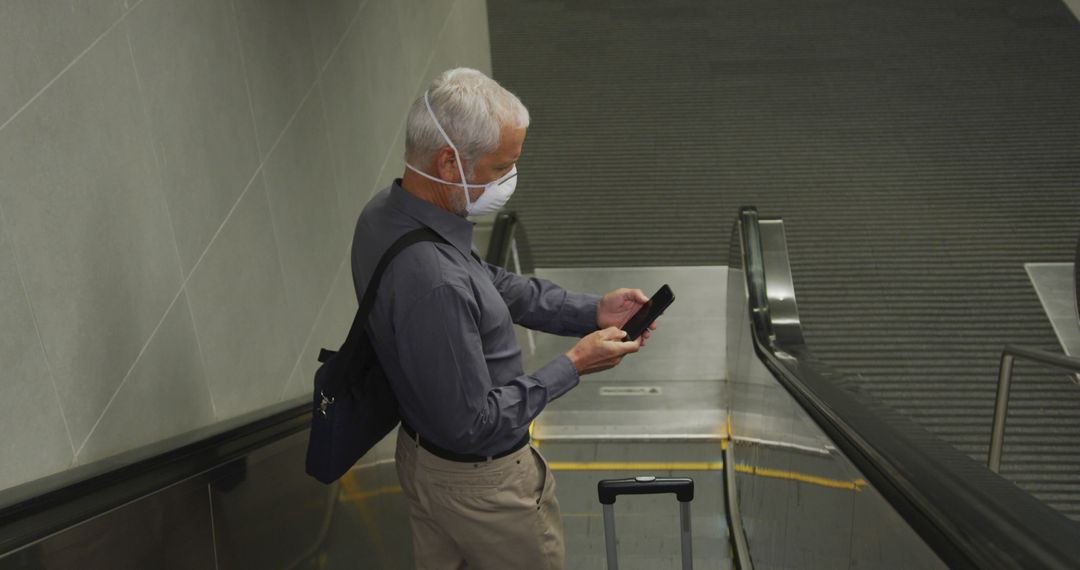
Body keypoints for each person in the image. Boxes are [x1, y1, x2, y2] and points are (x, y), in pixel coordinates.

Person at [351, 68, 655, 570]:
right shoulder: (435, 283)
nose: (508, 181)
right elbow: (474, 424)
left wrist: (589, 311)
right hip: (482, 490)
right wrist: (574, 365)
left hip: (423, 459)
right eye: (500, 168)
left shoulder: (385, 214)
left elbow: (486, 282)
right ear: (449, 163)